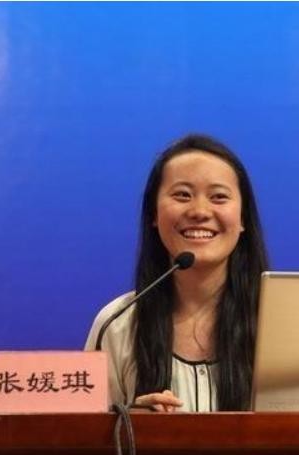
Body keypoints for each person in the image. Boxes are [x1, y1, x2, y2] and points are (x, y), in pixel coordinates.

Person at [85, 134, 269, 412]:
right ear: (154, 215)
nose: (200, 211)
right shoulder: (117, 323)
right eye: (182, 195)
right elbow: (82, 434)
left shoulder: (279, 323)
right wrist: (125, 423)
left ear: (242, 218)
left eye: (219, 197)